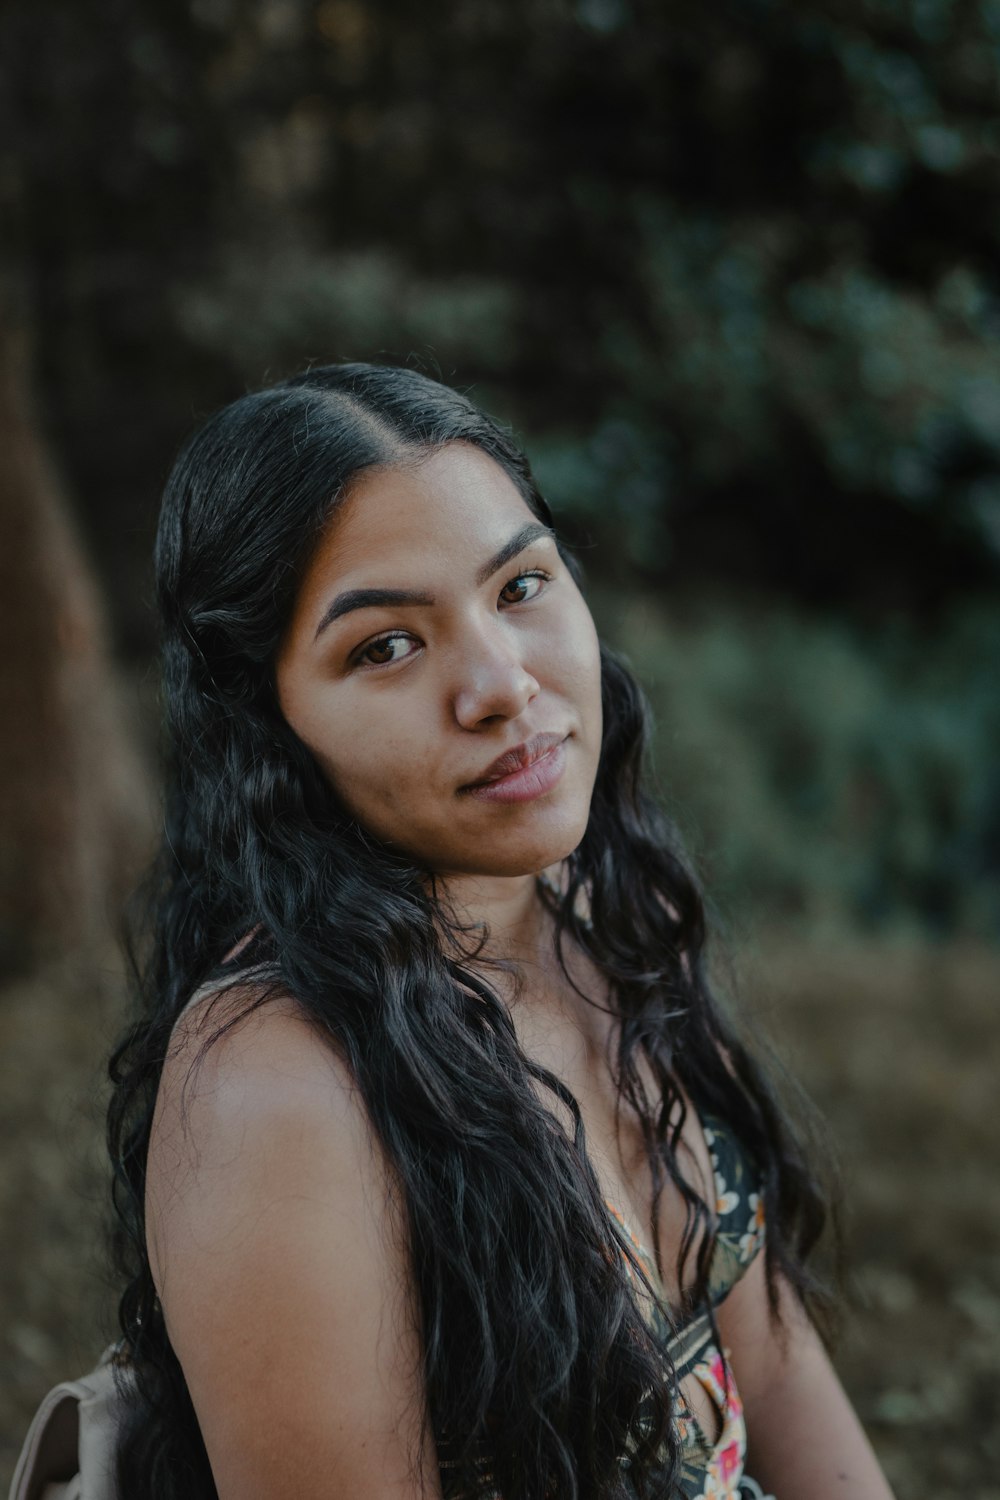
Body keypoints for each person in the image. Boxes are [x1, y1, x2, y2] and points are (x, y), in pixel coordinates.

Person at [106, 362, 895, 1500]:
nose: (499, 682)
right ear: (268, 725)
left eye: (519, 587)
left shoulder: (602, 929)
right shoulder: (280, 1090)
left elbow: (770, 1375)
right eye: (385, 647)